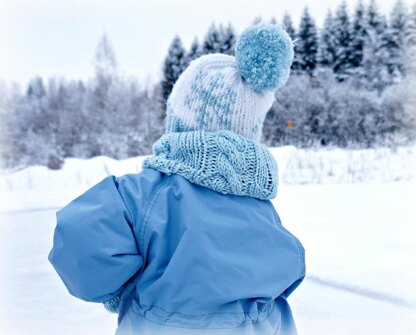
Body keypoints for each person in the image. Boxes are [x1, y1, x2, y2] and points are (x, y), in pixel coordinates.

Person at [48, 22, 306, 335]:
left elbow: (79, 242)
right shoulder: (261, 211)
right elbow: (289, 270)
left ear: (179, 123)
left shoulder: (144, 194)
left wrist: (122, 285)